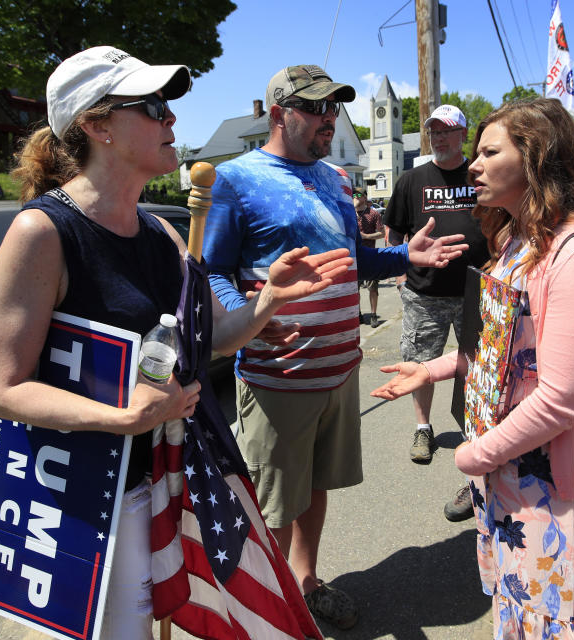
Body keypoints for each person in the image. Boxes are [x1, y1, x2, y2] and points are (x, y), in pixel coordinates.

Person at [0, 47, 353, 640]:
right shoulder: (41, 231)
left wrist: (268, 301)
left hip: (162, 475)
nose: (172, 120)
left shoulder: (160, 231)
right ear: (97, 126)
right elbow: (2, 390)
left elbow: (212, 341)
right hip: (83, 498)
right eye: (154, 107)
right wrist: (120, 417)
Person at [202, 64, 468, 630]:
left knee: (319, 487)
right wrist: (248, 317)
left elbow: (355, 260)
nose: (330, 118)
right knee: (273, 503)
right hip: (279, 375)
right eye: (316, 108)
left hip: (340, 368)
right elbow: (215, 270)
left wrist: (406, 257)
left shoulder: (337, 179)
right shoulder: (236, 178)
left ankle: (304, 583)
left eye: (334, 108)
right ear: (279, 113)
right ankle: (265, 613)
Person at [373, 97, 574, 639]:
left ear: (536, 156)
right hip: (506, 467)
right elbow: (499, 348)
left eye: (490, 152)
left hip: (549, 477)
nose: (472, 164)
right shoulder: (516, 239)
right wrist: (436, 370)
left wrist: (472, 454)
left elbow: (561, 399)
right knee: (516, 605)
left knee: (553, 616)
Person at [384, 105, 489, 491]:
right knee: (419, 364)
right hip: (423, 294)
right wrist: (398, 274)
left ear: (463, 134)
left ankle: (477, 429)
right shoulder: (412, 180)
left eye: (447, 131)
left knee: (477, 365)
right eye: (433, 132)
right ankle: (423, 429)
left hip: (475, 293)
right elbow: (393, 233)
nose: (439, 138)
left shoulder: (480, 175)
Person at [354, 189, 383, 326]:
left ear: (365, 197)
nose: (356, 197)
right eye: (353, 195)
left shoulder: (373, 213)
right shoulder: (349, 213)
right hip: (354, 257)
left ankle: (373, 315)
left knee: (372, 288)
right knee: (355, 289)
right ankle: (358, 314)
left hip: (370, 255)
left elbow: (382, 233)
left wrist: (366, 236)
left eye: (359, 195)